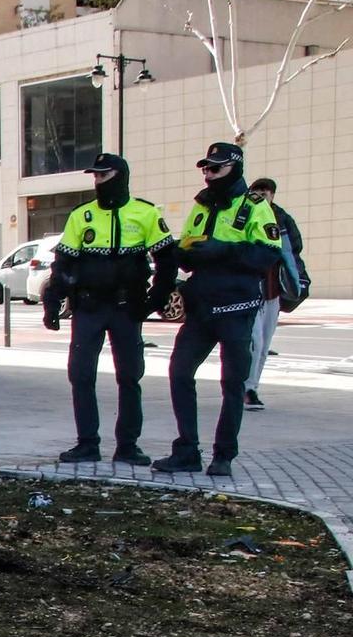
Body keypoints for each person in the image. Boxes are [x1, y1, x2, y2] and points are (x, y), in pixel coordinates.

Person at [154, 142, 283, 479]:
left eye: (216, 168)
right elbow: (188, 247)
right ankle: (187, 451)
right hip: (201, 307)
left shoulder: (255, 205)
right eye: (206, 169)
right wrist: (178, 254)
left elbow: (269, 253)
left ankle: (223, 455)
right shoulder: (201, 204)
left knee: (232, 383)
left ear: (234, 168)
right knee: (180, 373)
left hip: (237, 307)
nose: (208, 174)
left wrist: (222, 250)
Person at [41, 153, 178, 467]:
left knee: (130, 377)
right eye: (95, 176)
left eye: (104, 175)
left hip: (126, 308)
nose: (98, 181)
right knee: (80, 375)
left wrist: (154, 301)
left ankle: (128, 446)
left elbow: (167, 261)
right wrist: (52, 303)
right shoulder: (82, 215)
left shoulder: (144, 213)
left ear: (120, 176)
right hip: (88, 307)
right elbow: (63, 264)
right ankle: (87, 443)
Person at [242, 177, 302, 412]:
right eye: (258, 191)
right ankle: (246, 388)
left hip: (272, 288)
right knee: (254, 341)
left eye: (266, 192)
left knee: (264, 343)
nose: (263, 195)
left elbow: (293, 249)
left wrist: (296, 281)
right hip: (251, 288)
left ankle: (252, 386)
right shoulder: (246, 214)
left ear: (273, 195)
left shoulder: (282, 218)